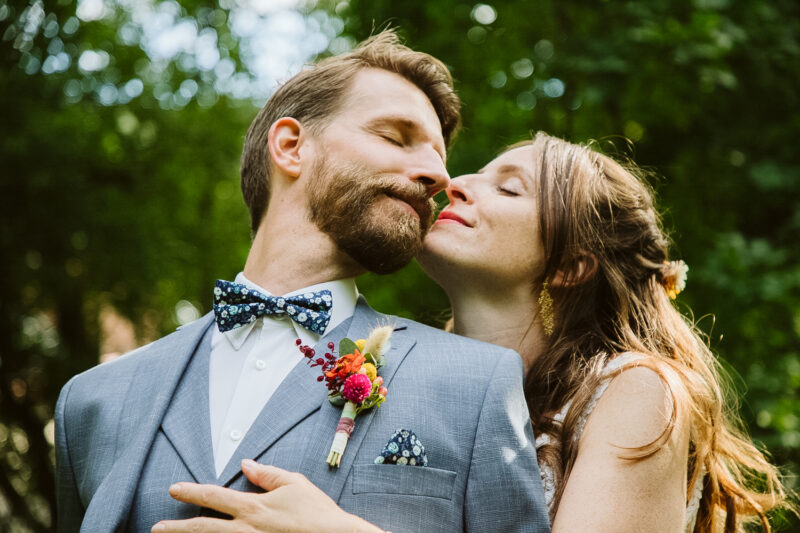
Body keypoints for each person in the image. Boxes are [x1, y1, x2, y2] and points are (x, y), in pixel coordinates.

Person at [159, 132, 792, 533]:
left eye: (508, 188)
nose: (454, 183)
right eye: (478, 171)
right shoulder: (392, 369)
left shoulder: (634, 391)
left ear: (572, 265)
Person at [53, 32, 550, 532]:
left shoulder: (476, 383)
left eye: (439, 157)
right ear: (291, 147)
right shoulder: (92, 402)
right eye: (395, 137)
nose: (439, 176)